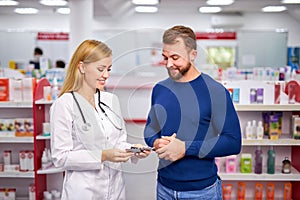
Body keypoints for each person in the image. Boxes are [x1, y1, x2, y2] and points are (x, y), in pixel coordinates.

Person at [144, 25, 242, 200]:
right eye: (165, 57)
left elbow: (233, 142)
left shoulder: (215, 91)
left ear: (193, 55)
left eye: (175, 57)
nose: (168, 64)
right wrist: (157, 141)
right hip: (164, 187)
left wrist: (185, 148)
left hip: (202, 191)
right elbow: (150, 129)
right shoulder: (160, 89)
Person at [50, 39, 150, 200]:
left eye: (109, 69)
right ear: (82, 67)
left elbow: (118, 143)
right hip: (84, 191)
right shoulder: (64, 104)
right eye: (101, 69)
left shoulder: (111, 100)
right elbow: (60, 157)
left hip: (116, 190)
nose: (106, 75)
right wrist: (102, 155)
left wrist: (133, 149)